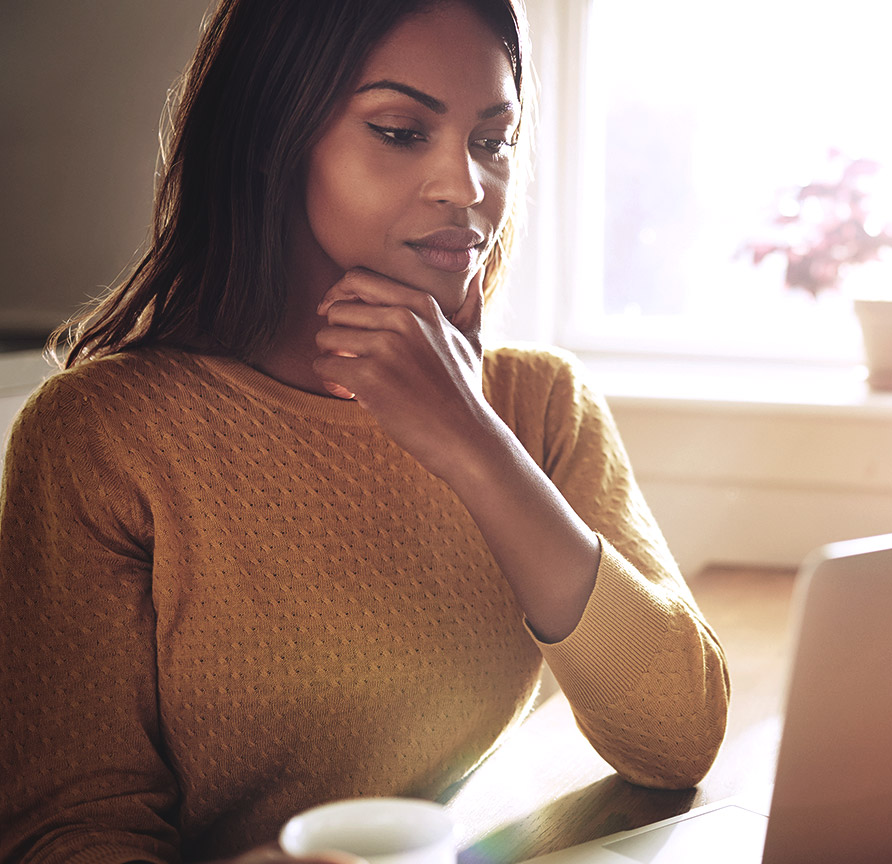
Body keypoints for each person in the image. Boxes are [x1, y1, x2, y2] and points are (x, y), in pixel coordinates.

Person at [0, 1, 729, 862]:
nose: (466, 185)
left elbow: (677, 737)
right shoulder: (103, 437)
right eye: (399, 130)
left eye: (493, 140)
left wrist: (476, 444)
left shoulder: (539, 402)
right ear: (272, 140)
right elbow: (68, 833)